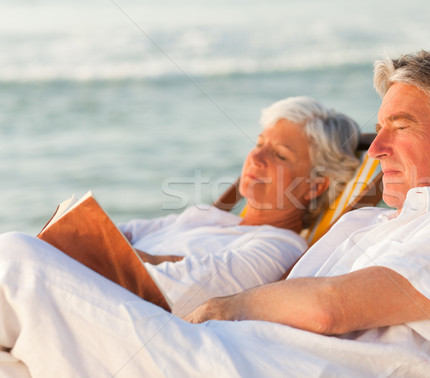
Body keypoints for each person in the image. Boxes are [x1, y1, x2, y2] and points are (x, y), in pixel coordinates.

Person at [0, 47, 430, 378]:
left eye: (399, 127)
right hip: (229, 359)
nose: (376, 148)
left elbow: (328, 310)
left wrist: (226, 308)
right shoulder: (371, 224)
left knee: (14, 260)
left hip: (254, 368)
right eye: (377, 129)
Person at [112, 96, 361, 315]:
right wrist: (144, 257)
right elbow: (107, 230)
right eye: (259, 144)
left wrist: (122, 253)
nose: (255, 157)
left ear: (315, 186)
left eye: (280, 155)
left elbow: (169, 293)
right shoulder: (207, 217)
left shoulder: (278, 249)